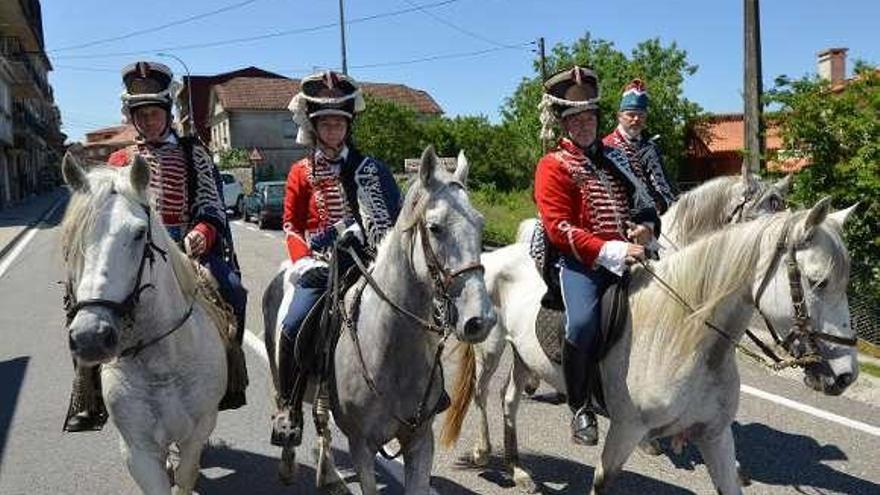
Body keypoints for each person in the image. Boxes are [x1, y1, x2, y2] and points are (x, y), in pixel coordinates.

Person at [63, 61, 249, 433]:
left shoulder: (193, 153)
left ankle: (231, 375)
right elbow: (102, 218)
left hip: (187, 250)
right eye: (140, 114)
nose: (148, 121)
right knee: (78, 302)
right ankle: (89, 391)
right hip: (131, 253)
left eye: (154, 113)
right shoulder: (118, 161)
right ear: (131, 116)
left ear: (166, 113)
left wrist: (202, 233)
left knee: (232, 288)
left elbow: (211, 206)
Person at [271, 70, 402, 447]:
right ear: (313, 127)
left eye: (338, 123)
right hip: (321, 264)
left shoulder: (372, 168)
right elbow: (291, 225)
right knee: (295, 323)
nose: (332, 130)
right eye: (325, 123)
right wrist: (305, 257)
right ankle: (291, 407)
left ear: (347, 126)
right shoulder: (300, 172)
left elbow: (395, 218)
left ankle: (422, 392)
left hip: (371, 262)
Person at [534, 66, 660, 445]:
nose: (585, 124)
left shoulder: (617, 158)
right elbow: (560, 228)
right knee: (583, 325)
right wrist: (611, 248)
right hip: (582, 264)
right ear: (564, 124)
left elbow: (644, 201)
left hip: (634, 255)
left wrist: (647, 227)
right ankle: (580, 406)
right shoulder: (553, 166)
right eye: (576, 118)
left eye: (589, 117)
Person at [602, 79, 677, 214]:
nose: (636, 119)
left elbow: (666, 187)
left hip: (659, 218)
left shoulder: (651, 147)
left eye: (641, 115)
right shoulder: (606, 147)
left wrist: (661, 206)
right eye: (631, 115)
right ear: (619, 116)